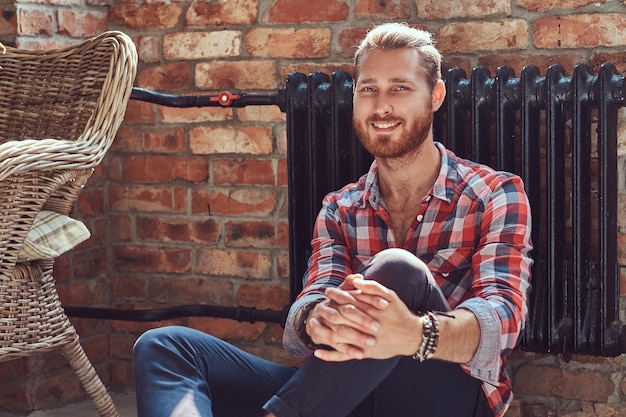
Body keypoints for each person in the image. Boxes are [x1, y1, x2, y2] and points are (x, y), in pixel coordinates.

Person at [133, 22, 533, 417]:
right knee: (165, 345)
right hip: (343, 394)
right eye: (369, 89)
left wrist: (415, 334)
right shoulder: (340, 208)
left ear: (435, 96)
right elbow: (313, 299)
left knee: (398, 269)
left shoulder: (494, 193)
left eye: (400, 88)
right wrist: (314, 319)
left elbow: (504, 321)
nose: (382, 106)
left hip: (447, 395)